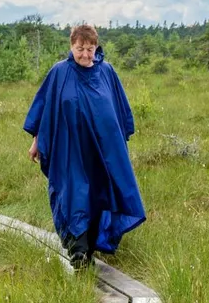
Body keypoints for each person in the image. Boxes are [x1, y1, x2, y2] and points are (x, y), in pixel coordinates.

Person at [23, 24, 145, 269]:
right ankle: (78, 251)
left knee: (98, 194)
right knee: (74, 193)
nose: (85, 55)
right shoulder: (60, 73)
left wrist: (119, 142)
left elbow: (119, 111)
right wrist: (37, 141)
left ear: (96, 48)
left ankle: (88, 249)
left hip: (102, 152)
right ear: (71, 46)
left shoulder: (107, 73)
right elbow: (45, 109)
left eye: (90, 49)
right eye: (80, 49)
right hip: (69, 150)